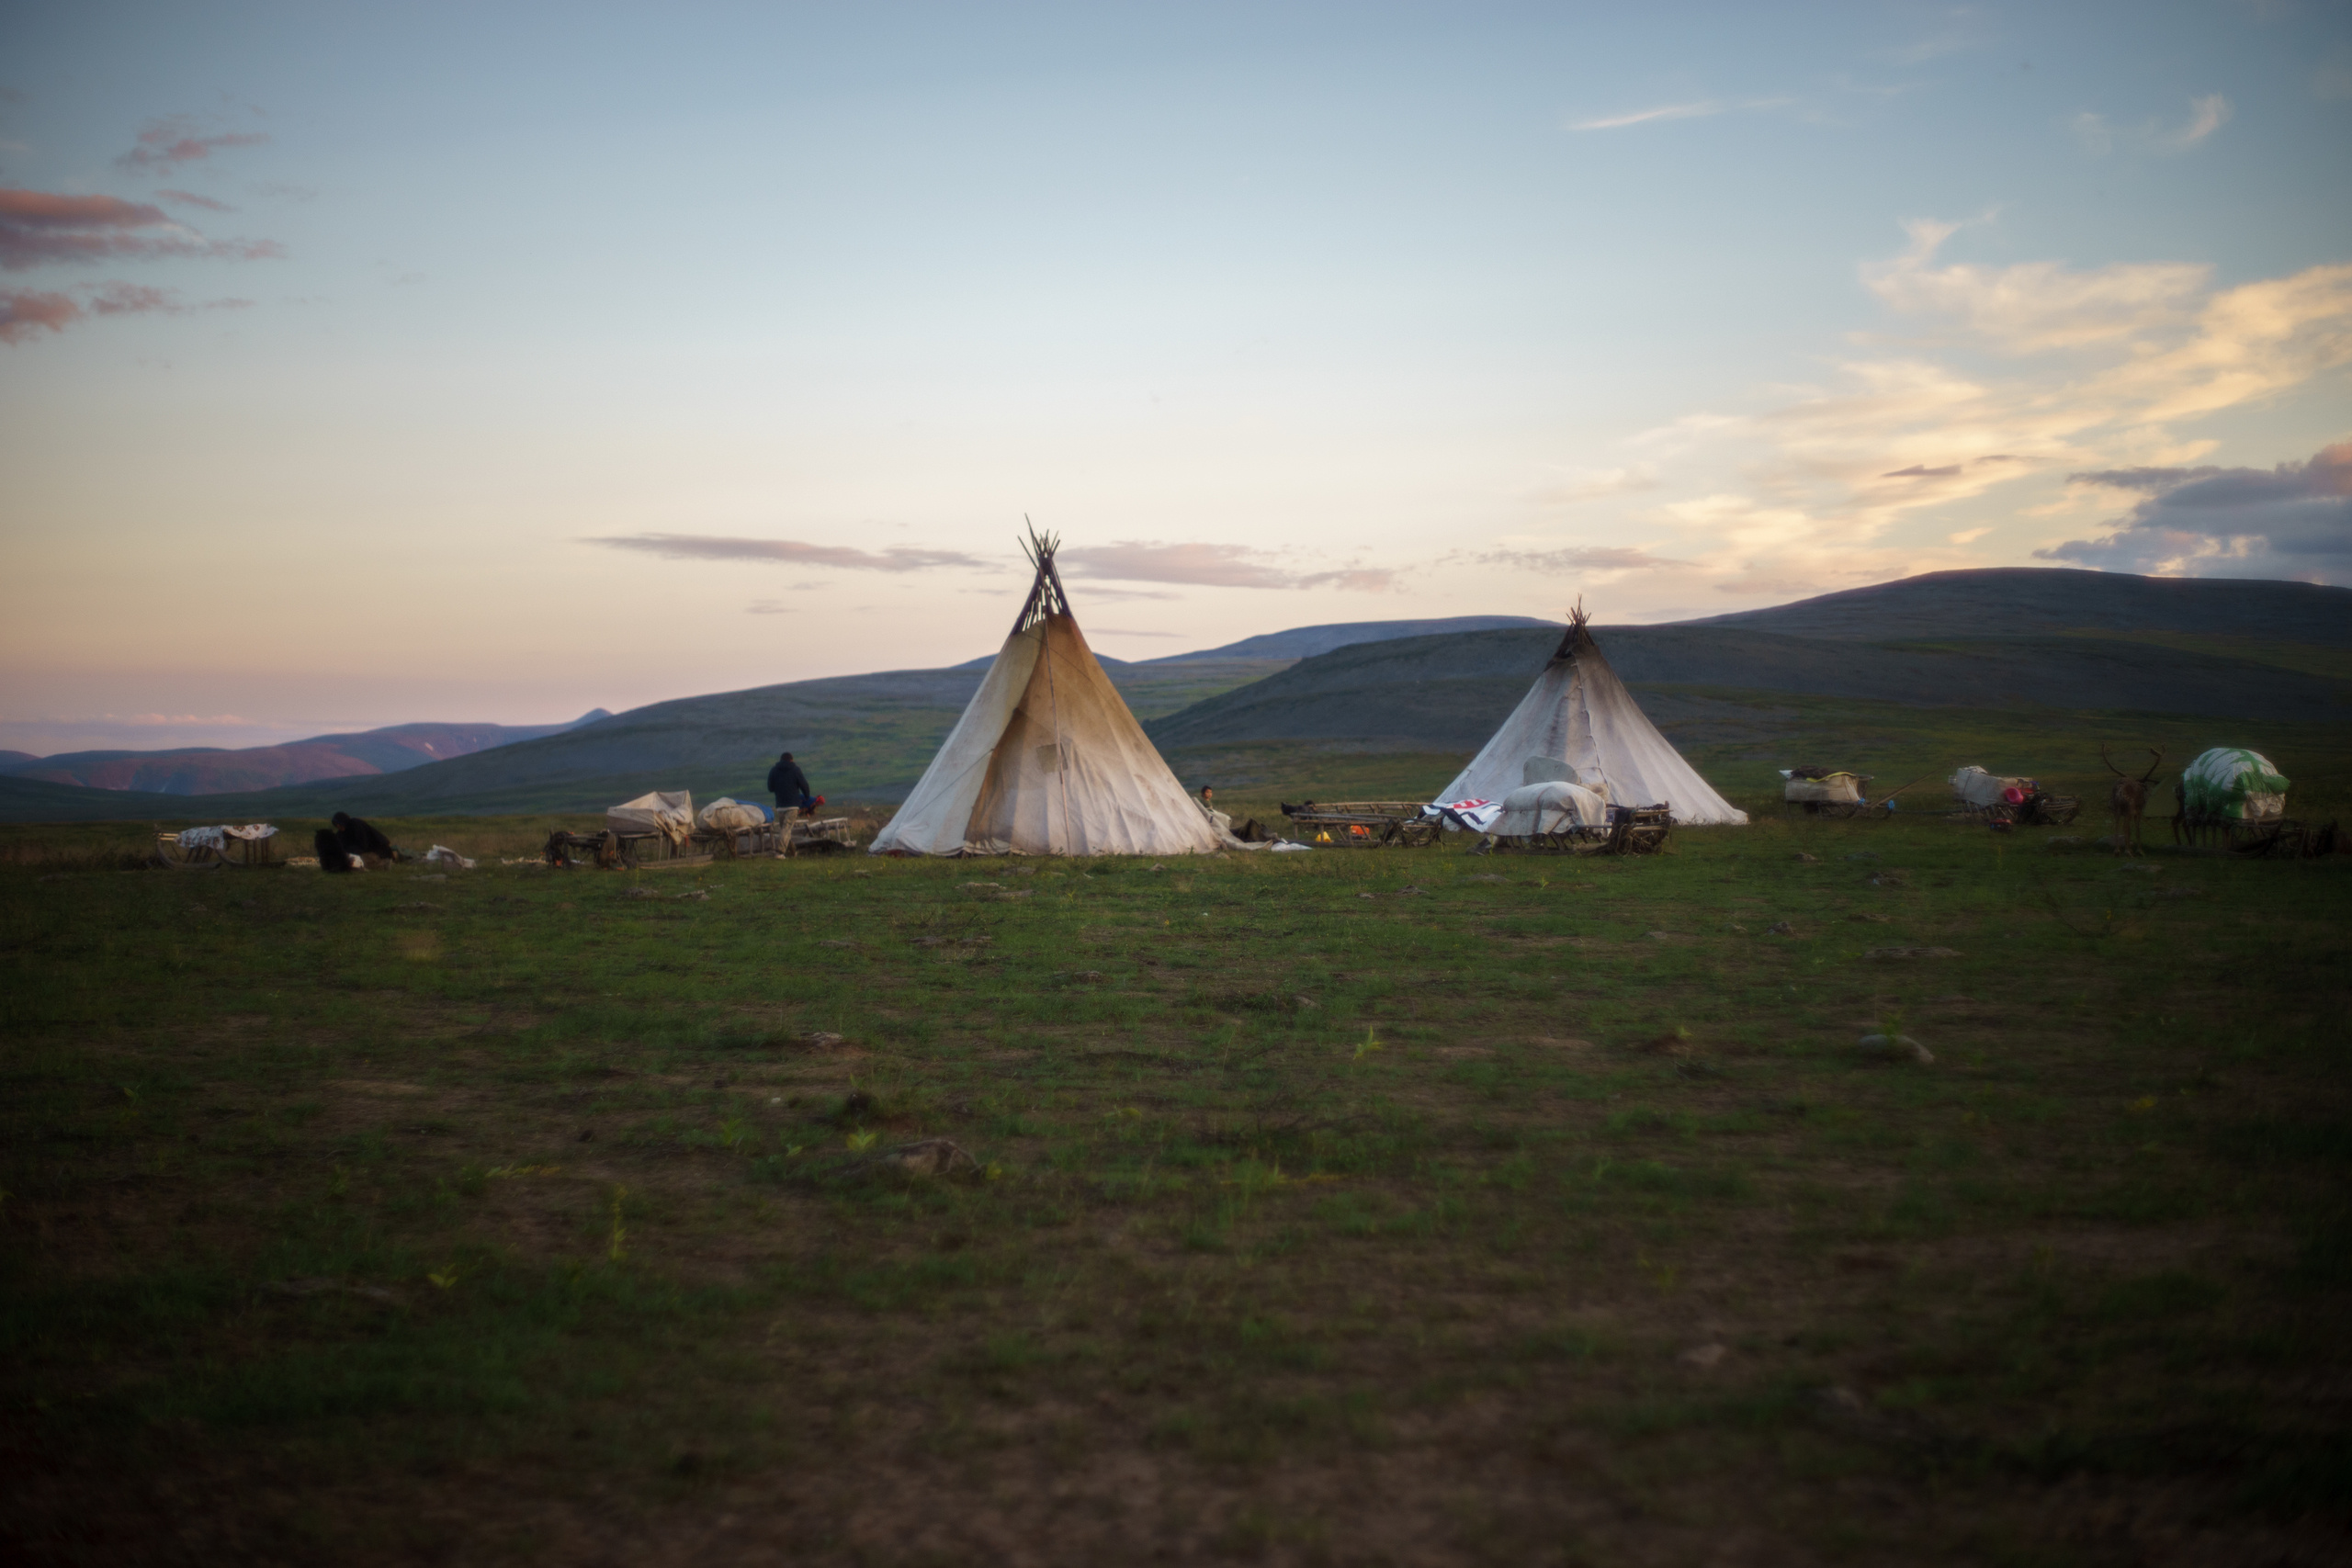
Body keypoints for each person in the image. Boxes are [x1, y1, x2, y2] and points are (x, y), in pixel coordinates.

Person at [332, 811, 398, 865]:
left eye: (339, 824)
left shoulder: (356, 825)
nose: (338, 826)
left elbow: (362, 845)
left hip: (379, 848)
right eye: (336, 824)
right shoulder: (342, 832)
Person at [767, 750, 819, 815]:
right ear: (791, 760)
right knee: (788, 825)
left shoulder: (773, 770)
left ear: (780, 760)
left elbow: (770, 788)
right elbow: (804, 785)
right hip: (793, 806)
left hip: (780, 806)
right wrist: (807, 796)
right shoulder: (796, 770)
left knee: (783, 824)